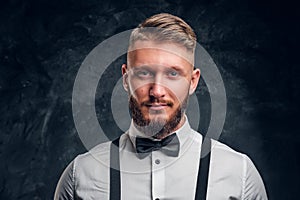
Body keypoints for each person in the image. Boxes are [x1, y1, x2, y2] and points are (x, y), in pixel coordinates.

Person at [55, 13, 268, 200]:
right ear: (125, 78)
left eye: (172, 74)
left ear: (193, 81)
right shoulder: (80, 175)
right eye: (144, 73)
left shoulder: (239, 174)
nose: (157, 91)